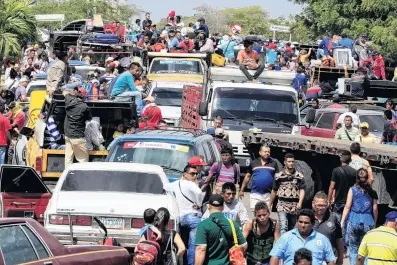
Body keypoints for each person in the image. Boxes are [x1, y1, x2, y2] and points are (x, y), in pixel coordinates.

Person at [164, 165, 205, 265]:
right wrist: (199, 204)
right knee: (193, 245)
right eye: (192, 174)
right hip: (193, 219)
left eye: (196, 174)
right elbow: (199, 193)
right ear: (185, 174)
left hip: (182, 219)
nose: (195, 176)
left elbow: (165, 187)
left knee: (181, 244)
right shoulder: (190, 184)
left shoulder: (176, 184)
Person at [269, 209, 335, 265]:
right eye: (300, 222)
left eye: (306, 223)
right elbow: (275, 257)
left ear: (313, 224)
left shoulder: (323, 239)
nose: (303, 225)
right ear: (297, 222)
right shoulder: (286, 237)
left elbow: (330, 260)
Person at [195, 194, 247, 265]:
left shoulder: (203, 225)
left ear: (208, 206)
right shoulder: (233, 224)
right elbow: (244, 245)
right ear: (223, 207)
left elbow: (201, 249)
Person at [341, 168, 378, 265]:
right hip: (368, 222)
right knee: (365, 249)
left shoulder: (352, 190)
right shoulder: (373, 192)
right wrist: (374, 222)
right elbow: (375, 209)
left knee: (353, 248)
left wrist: (342, 221)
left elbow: (347, 206)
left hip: (354, 221)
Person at [269, 153, 305, 235]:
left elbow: (302, 190)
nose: (291, 163)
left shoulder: (299, 176)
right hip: (282, 205)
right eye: (289, 161)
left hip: (294, 206)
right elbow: (274, 191)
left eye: (292, 161)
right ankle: (283, 245)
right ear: (285, 162)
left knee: (292, 228)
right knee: (283, 227)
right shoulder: (278, 176)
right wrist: (270, 203)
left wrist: (300, 202)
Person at [240, 144, 280, 210]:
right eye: (265, 151)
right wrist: (242, 189)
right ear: (260, 152)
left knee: (265, 215)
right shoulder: (254, 163)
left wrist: (277, 190)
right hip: (255, 194)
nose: (267, 153)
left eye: (268, 152)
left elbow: (277, 178)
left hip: (268, 194)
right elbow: (247, 176)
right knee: (255, 214)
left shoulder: (274, 163)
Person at [312, 192, 344, 265]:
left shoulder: (333, 218)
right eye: (319, 205)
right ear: (313, 204)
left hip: (330, 259)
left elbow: (339, 239)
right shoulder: (307, 218)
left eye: (324, 205)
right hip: (312, 259)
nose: (321, 208)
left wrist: (340, 257)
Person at [64, 89, 91, 169]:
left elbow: (64, 92)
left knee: (68, 159)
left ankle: (67, 174)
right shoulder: (84, 107)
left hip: (68, 136)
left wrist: (69, 92)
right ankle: (82, 177)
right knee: (83, 160)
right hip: (77, 137)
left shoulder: (68, 101)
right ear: (84, 98)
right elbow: (89, 118)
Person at [327, 150, 357, 221]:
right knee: (346, 221)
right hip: (349, 201)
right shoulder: (355, 172)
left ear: (341, 159)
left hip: (338, 201)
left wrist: (329, 200)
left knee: (336, 222)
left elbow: (332, 187)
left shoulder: (336, 170)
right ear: (350, 160)